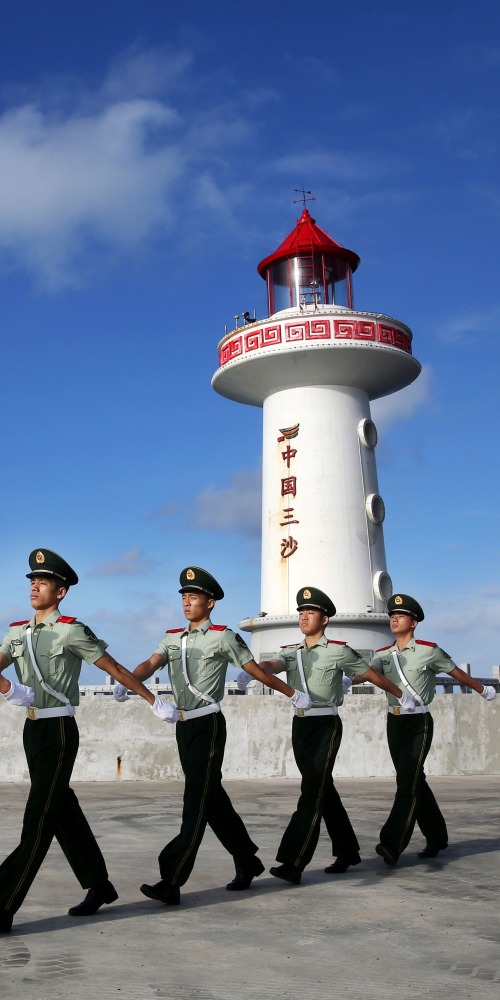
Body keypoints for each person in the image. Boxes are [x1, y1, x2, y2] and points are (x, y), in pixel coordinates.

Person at [0, 548, 175, 934]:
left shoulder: (72, 631)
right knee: (61, 809)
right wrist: (10, 688)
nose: (34, 587)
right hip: (33, 730)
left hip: (60, 731)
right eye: (32, 581)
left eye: (42, 582)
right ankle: (99, 885)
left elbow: (112, 668)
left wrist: (151, 700)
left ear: (60, 592)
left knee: (40, 818)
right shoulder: (17, 632)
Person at [114, 566, 311, 905]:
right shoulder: (172, 638)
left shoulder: (224, 636)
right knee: (211, 799)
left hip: (208, 725)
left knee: (195, 802)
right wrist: (128, 680)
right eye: (184, 597)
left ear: (210, 602)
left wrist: (291, 693)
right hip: (182, 725)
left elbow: (254, 670)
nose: (187, 603)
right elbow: (151, 663)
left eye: (194, 597)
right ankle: (247, 860)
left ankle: (172, 879)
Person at [237, 587, 414, 885]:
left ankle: (294, 861)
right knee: (322, 790)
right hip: (300, 724)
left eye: (311, 612)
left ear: (325, 619)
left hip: (326, 725)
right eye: (301, 613)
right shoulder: (291, 651)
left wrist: (400, 694)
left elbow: (372, 675)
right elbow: (273, 665)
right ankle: (347, 851)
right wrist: (252, 670)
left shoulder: (339, 650)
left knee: (311, 793)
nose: (304, 617)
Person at [368, 593, 497, 867]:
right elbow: (368, 671)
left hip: (418, 723)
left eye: (400, 616)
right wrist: (346, 678)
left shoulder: (429, 650)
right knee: (415, 780)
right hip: (394, 721)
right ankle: (437, 837)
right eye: (392, 615)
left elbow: (455, 673)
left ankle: (392, 842)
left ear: (413, 622)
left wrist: (482, 689)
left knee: (407, 782)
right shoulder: (383, 654)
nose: (394, 619)